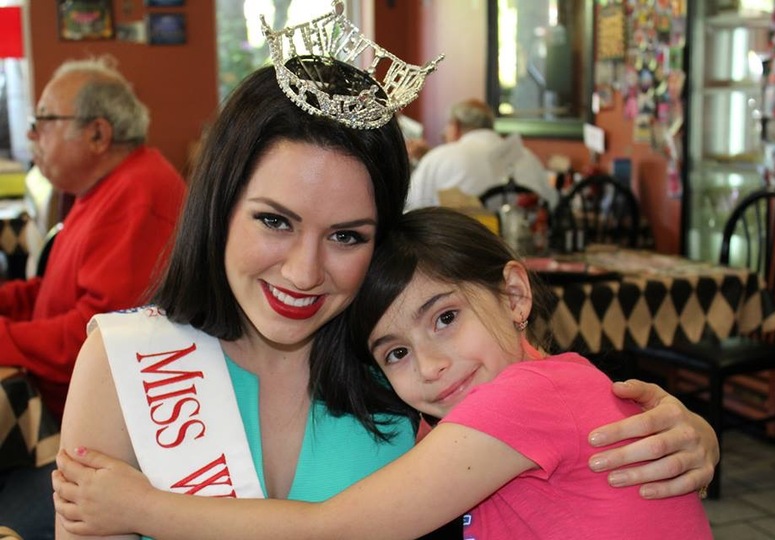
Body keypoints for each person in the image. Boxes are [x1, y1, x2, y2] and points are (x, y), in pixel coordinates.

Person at [54, 5, 717, 539]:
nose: (303, 271)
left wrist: (684, 432)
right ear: (219, 206)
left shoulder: (406, 368)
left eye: (346, 235)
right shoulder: (129, 362)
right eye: (274, 221)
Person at [52, 207, 713, 539]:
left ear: (516, 294)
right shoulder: (485, 414)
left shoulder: (519, 400)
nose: (430, 366)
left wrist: (142, 507)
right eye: (394, 351)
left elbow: (325, 529)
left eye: (446, 318)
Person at [0, 56, 186, 538]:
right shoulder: (100, 188)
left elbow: (92, 335)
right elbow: (57, 292)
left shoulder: (138, 197)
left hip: (97, 448)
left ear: (98, 135)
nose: (32, 134)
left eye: (43, 121)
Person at [405, 98, 559, 211]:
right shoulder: (526, 155)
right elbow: (552, 203)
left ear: (456, 125)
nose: (444, 133)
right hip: (522, 250)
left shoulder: (438, 158)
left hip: (458, 250)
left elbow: (411, 210)